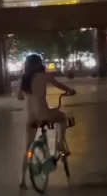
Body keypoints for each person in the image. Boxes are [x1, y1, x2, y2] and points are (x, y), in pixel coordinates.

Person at [17, 54, 76, 188]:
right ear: (39, 64)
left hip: (30, 118)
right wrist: (69, 90)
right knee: (62, 118)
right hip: (43, 114)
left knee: (27, 147)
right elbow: (59, 85)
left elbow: (19, 97)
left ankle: (22, 180)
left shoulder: (24, 79)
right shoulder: (44, 76)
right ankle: (60, 144)